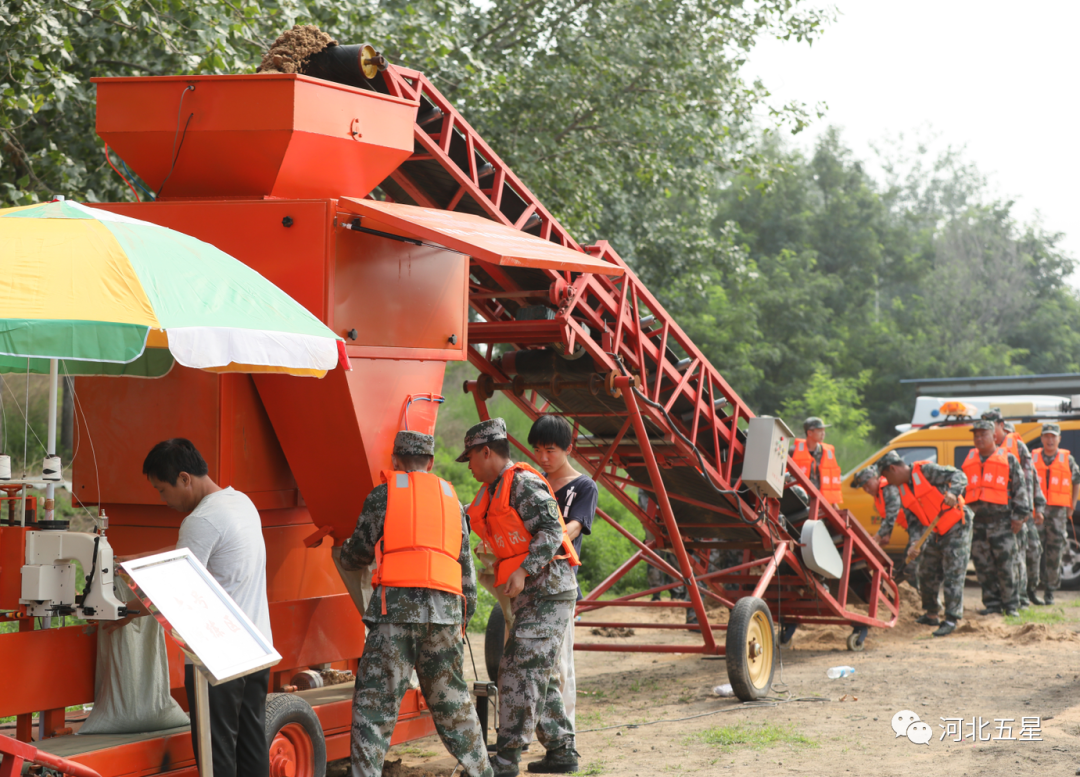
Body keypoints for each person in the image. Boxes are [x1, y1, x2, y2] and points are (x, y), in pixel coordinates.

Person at [338, 431, 491, 777]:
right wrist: (459, 622)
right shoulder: (453, 501)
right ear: (432, 462)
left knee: (374, 708)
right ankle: (482, 772)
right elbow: (466, 574)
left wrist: (344, 553)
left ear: (395, 461)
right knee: (454, 705)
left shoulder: (384, 495)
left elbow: (357, 553)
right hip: (446, 617)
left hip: (396, 615)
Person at [141, 438, 273, 777]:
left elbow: (177, 592)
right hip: (257, 647)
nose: (163, 499)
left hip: (217, 658)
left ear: (185, 478)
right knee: (252, 748)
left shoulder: (199, 521)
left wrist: (124, 611)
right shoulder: (241, 502)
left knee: (218, 758)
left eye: (161, 490)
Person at [459, 418, 581, 777]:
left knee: (517, 672)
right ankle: (561, 752)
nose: (469, 465)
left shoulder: (522, 484)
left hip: (549, 591)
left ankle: (506, 759)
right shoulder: (491, 492)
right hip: (533, 595)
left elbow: (553, 530)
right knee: (534, 673)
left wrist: (522, 570)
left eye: (471, 457)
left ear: (487, 451)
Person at [528, 415, 597, 742]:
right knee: (526, 664)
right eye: (537, 450)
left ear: (568, 448)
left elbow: (574, 527)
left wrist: (542, 545)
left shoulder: (583, 487)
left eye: (550, 450)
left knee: (560, 665)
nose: (543, 458)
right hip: (527, 584)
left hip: (560, 584)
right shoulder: (534, 482)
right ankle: (527, 733)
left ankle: (565, 739)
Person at [879, 450, 971, 637]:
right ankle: (931, 613)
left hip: (956, 526)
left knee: (953, 570)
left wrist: (953, 492)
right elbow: (914, 522)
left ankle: (951, 619)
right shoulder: (903, 489)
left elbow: (959, 475)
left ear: (893, 469)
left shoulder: (926, 471)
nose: (887, 482)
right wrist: (914, 542)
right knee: (926, 570)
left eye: (886, 476)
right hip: (935, 530)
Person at [964, 420, 1031, 617]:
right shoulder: (969, 461)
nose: (978, 438)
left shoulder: (1009, 459)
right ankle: (992, 604)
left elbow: (1021, 490)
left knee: (1006, 565)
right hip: (979, 524)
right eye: (975, 435)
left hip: (1002, 523)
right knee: (983, 566)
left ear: (994, 436)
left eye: (983, 434)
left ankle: (1011, 605)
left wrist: (1019, 517)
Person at [985, 411, 1045, 607]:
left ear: (1001, 425)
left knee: (1021, 555)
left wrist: (1026, 510)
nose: (987, 430)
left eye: (991, 425)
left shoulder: (1017, 447)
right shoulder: (986, 448)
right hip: (996, 513)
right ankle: (1004, 599)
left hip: (1017, 510)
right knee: (1001, 559)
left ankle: (1021, 598)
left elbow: (1029, 478)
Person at [1031, 422, 1080, 605]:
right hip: (1037, 512)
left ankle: (1050, 590)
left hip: (1058, 512)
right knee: (1034, 551)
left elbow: (1076, 481)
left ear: (1059, 438)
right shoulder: (1033, 457)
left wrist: (1072, 505)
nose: (1050, 439)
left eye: (1054, 436)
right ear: (1042, 438)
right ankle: (1031, 589)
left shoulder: (1067, 459)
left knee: (1055, 552)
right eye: (1047, 436)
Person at [857, 462, 918, 580]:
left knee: (911, 564)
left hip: (920, 528)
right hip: (913, 529)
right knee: (908, 561)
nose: (867, 489)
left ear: (876, 478)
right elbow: (888, 515)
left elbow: (892, 514)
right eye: (864, 487)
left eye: (868, 484)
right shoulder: (879, 494)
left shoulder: (888, 489)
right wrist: (887, 535)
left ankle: (914, 590)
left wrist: (878, 537)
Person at [790, 417, 842, 507]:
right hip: (799, 500)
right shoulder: (793, 451)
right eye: (819, 430)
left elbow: (830, 480)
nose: (823, 433)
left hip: (819, 502)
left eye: (823, 430)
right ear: (809, 433)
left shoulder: (827, 452)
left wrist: (834, 504)